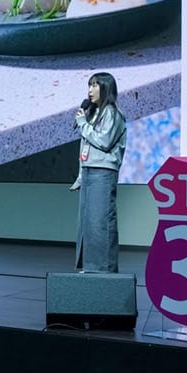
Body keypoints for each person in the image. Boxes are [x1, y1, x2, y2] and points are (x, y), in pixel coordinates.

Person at [73, 71, 126, 273]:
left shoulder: (111, 113)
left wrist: (83, 124)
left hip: (103, 172)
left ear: (106, 88)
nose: (90, 90)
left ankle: (104, 268)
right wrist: (80, 175)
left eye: (95, 85)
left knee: (101, 222)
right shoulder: (92, 114)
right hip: (89, 171)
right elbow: (85, 147)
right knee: (87, 223)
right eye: (89, 85)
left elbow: (104, 141)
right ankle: (90, 265)